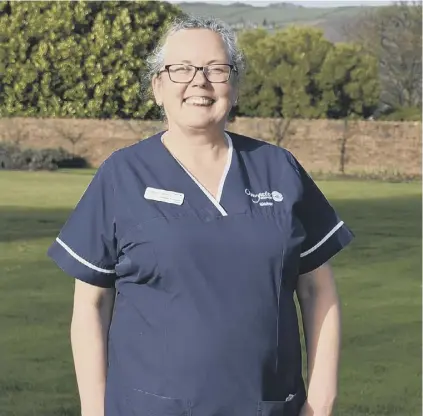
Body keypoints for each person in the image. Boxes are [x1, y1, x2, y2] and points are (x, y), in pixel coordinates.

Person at [47, 15, 354, 416]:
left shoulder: (279, 169)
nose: (200, 81)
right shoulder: (122, 175)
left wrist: (322, 399)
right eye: (181, 69)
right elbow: (90, 306)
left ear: (235, 86)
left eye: (216, 69)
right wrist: (93, 409)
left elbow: (318, 292)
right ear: (157, 87)